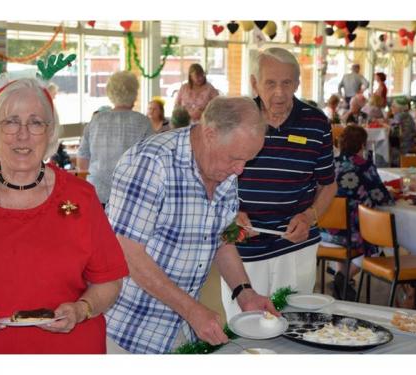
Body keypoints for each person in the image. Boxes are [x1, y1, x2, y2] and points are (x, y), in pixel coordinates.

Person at [0, 78, 129, 353]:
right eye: (10, 122)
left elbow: (109, 280)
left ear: (50, 131)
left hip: (64, 353)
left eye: (35, 122)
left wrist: (82, 309)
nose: (22, 135)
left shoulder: (81, 197)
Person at [104, 96, 278, 354]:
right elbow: (126, 254)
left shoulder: (224, 169)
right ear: (209, 133)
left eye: (247, 160)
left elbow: (220, 238)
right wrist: (192, 309)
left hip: (179, 331)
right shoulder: (152, 162)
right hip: (128, 332)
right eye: (235, 158)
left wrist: (245, 292)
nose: (240, 170)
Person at [221, 48, 337, 321]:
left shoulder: (316, 123)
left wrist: (310, 216)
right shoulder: (236, 120)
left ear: (297, 83)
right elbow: (214, 179)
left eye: (287, 83)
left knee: (294, 322)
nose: (280, 93)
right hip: (243, 247)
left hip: (295, 246)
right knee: (244, 326)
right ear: (254, 83)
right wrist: (229, 214)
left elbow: (328, 185)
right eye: (270, 83)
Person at [320, 125, 394, 300]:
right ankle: (343, 279)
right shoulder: (364, 166)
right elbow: (381, 197)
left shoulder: (332, 164)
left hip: (326, 232)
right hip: (353, 234)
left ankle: (342, 284)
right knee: (374, 241)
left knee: (346, 235)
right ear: (362, 144)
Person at [76, 71, 153, 206]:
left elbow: (82, 162)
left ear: (110, 92)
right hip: (130, 196)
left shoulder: (96, 120)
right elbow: (152, 163)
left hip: (96, 194)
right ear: (134, 93)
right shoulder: (143, 122)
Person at [389, 96, 416, 167]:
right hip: (411, 143)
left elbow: (394, 134)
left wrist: (385, 126)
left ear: (398, 108)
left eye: (393, 106)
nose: (391, 108)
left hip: (402, 147)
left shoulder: (399, 116)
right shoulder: (408, 116)